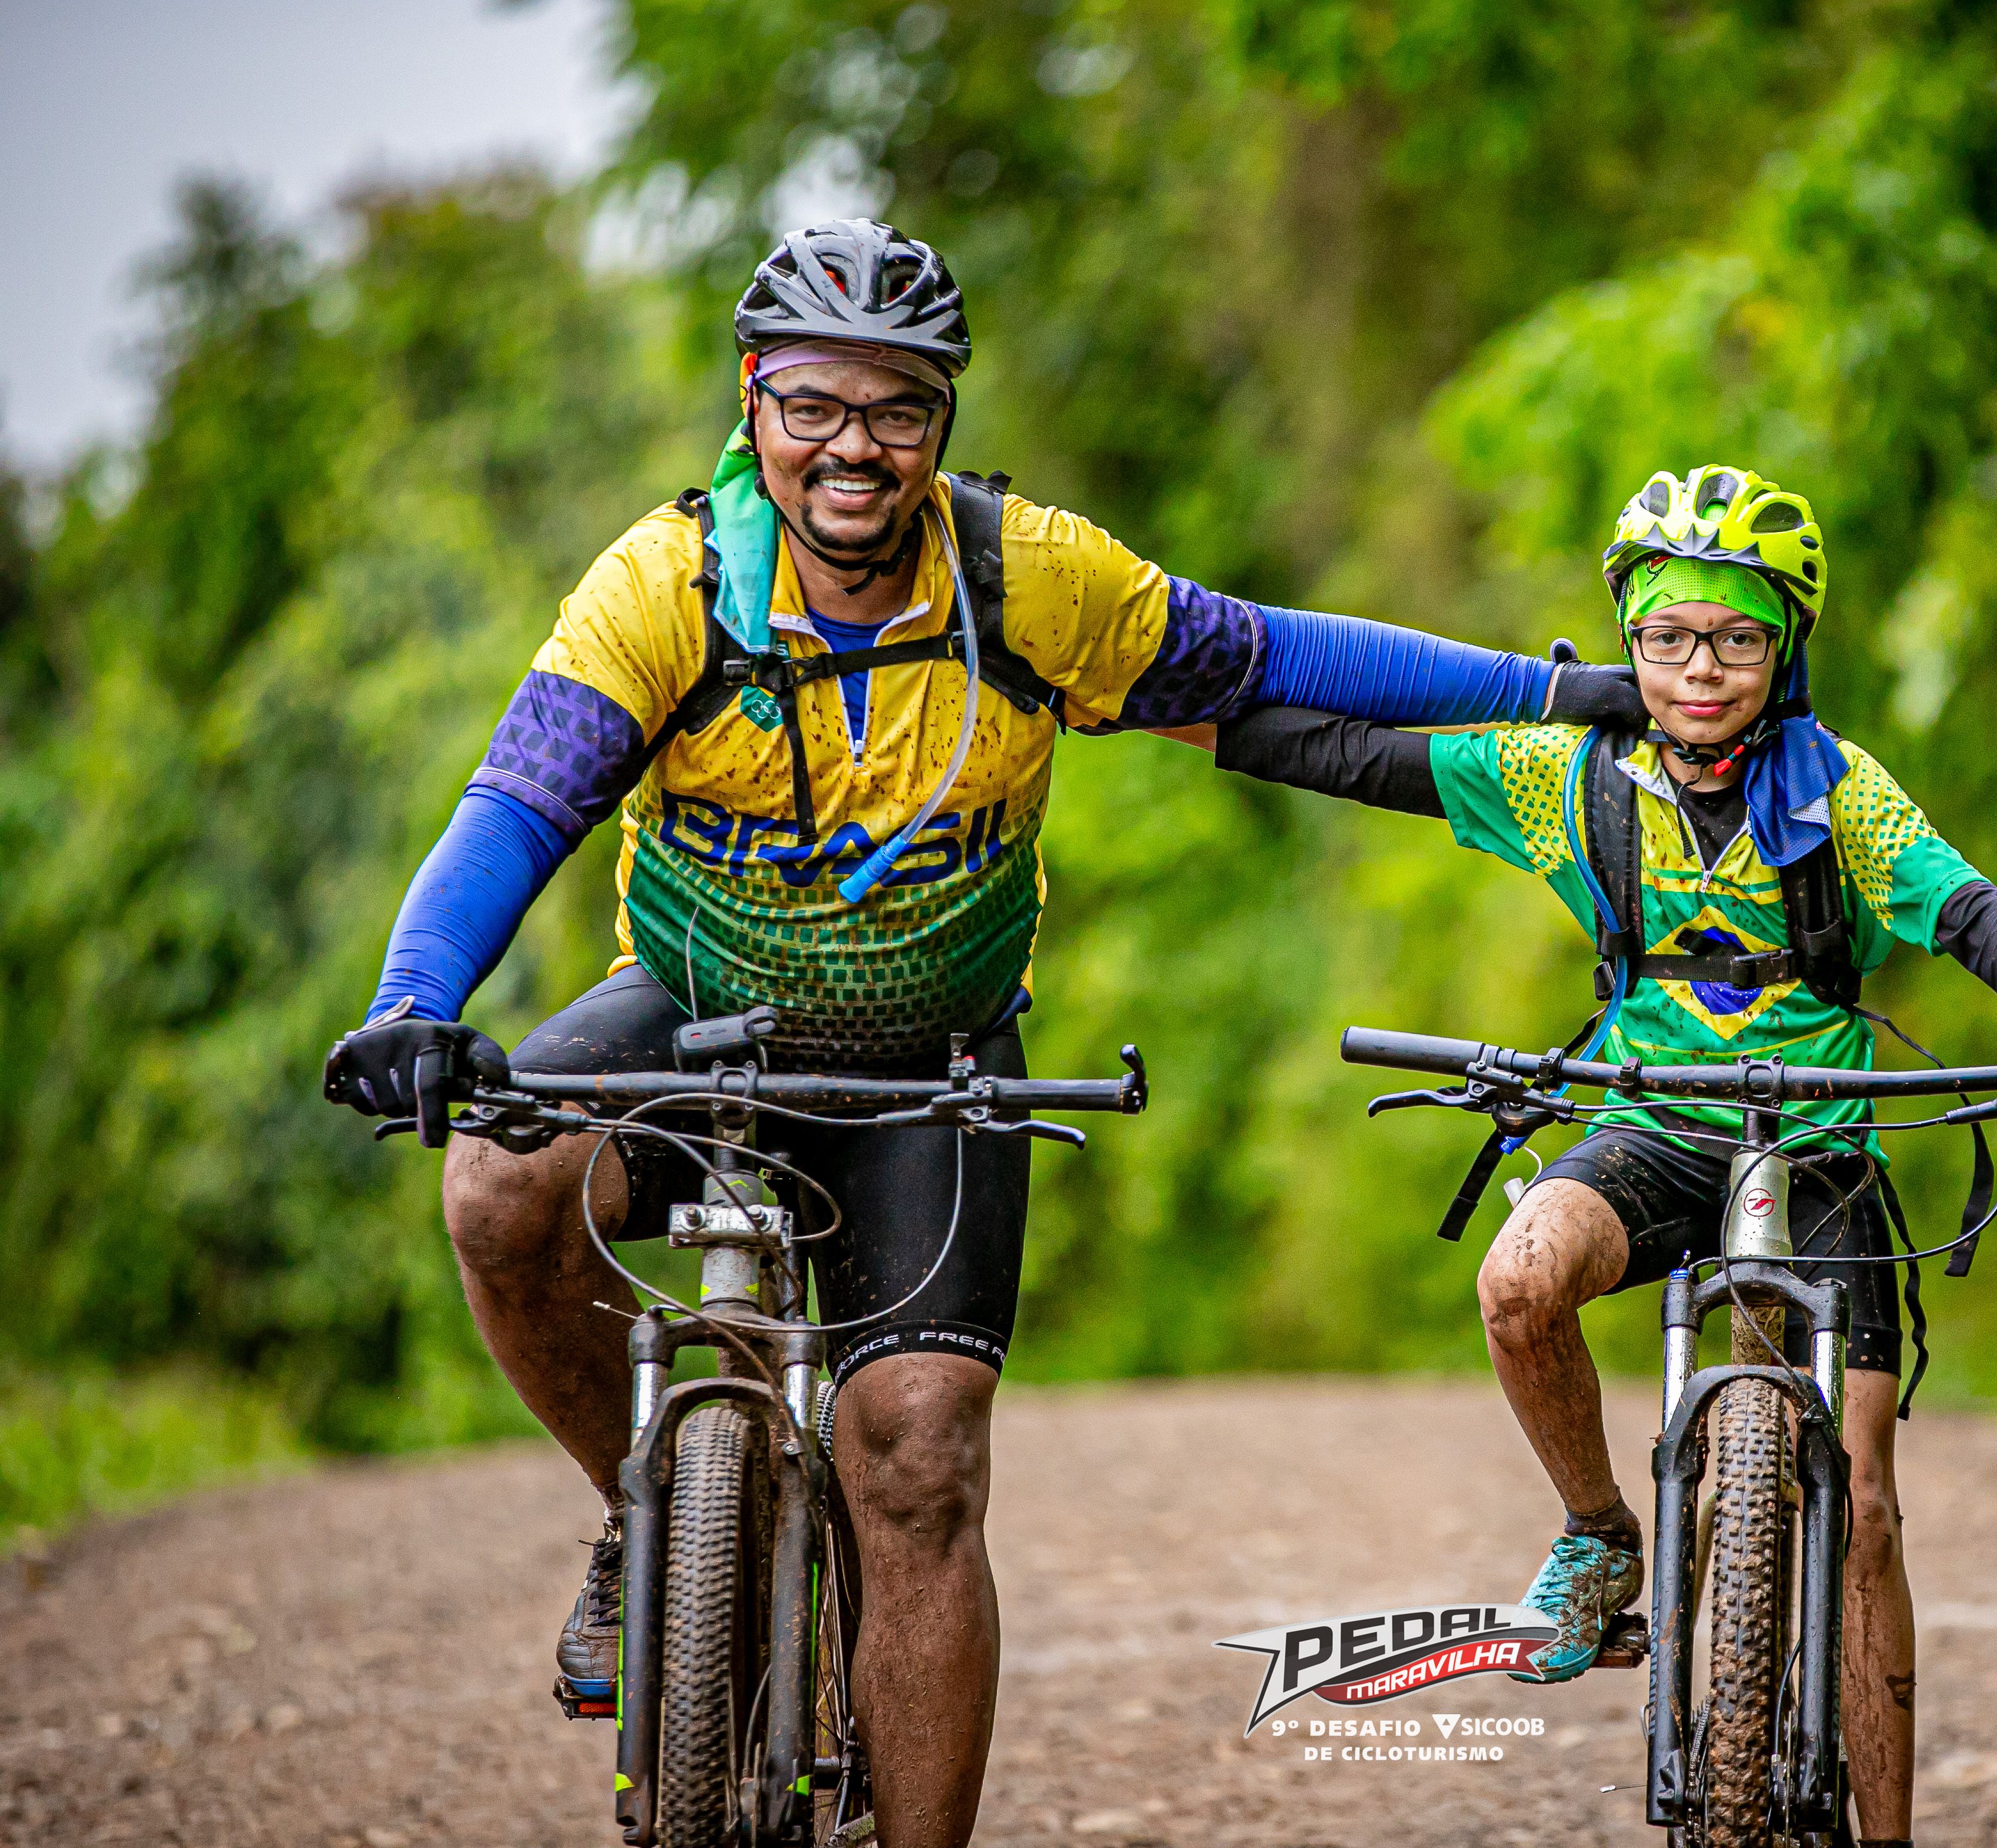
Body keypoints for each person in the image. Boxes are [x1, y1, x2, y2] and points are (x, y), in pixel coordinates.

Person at [318, 220, 1642, 1848]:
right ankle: (638, 1510)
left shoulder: (1028, 580)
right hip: (696, 1015)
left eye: (898, 409)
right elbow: (520, 805)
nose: (853, 446)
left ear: (942, 422)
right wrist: (414, 1005)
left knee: (921, 1462)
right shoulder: (662, 588)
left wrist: (1554, 697)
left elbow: (1281, 657)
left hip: (934, 1056)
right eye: (815, 404)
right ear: (752, 402)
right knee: (497, 1188)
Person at [1214, 464, 1997, 1848]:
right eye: (1668, 636)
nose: (1700, 669)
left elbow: (1967, 907)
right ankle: (1600, 1535)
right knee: (1519, 1280)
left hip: (1820, 1151)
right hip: (1653, 1124)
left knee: (1866, 1502)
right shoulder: (1572, 779)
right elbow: (1352, 756)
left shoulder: (1841, 795)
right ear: (1629, 641)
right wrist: (1163, 700)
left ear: (1786, 647)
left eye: (1736, 638)